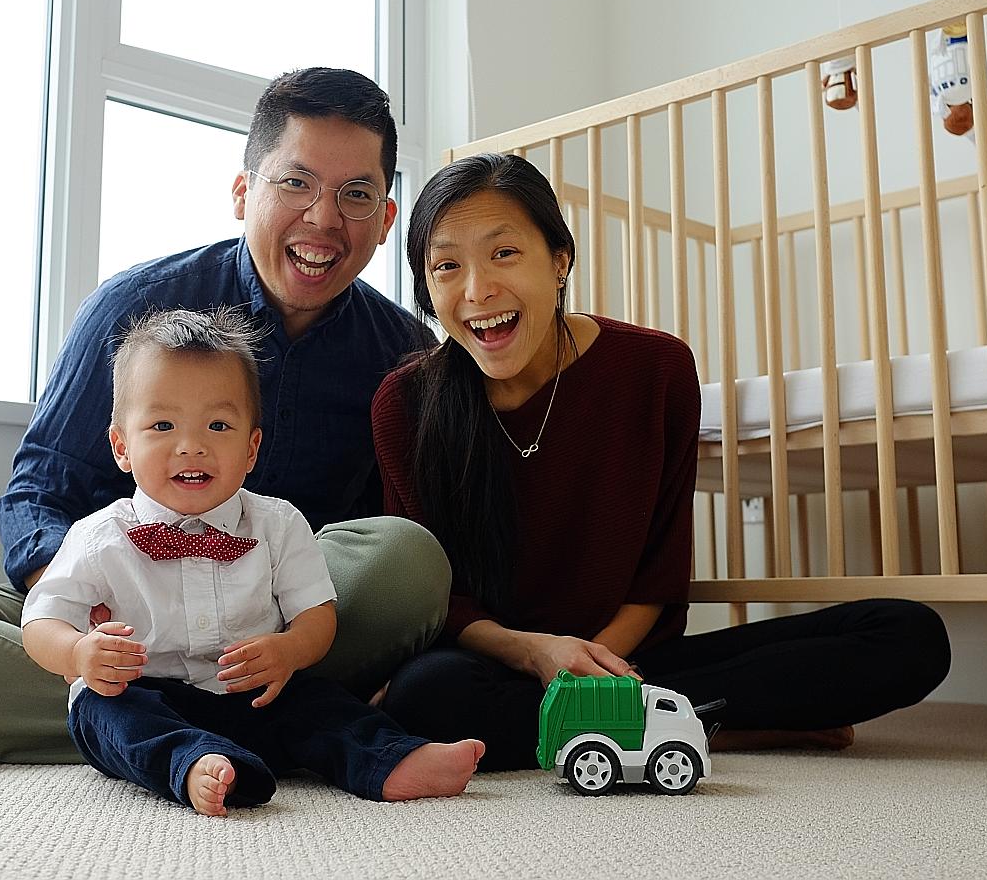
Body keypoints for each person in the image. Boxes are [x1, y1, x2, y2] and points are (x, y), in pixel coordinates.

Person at [0, 68, 446, 763]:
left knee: (409, 561)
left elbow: (381, 544)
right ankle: (249, 723)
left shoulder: (404, 355)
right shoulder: (134, 306)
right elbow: (39, 493)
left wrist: (304, 637)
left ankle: (80, 724)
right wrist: (80, 627)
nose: (323, 218)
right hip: (114, 634)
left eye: (355, 195)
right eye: (296, 183)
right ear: (242, 191)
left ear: (385, 220)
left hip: (271, 641)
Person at [372, 152, 952, 770]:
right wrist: (535, 652)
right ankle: (715, 726)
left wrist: (593, 677)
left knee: (908, 635)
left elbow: (659, 576)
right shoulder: (404, 403)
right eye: (447, 266)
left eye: (504, 253)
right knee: (427, 695)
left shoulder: (657, 369)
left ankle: (618, 721)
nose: (476, 290)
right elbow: (440, 599)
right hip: (494, 660)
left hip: (629, 662)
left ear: (560, 260)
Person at [24, 307, 482, 814]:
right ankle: (192, 763)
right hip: (146, 695)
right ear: (122, 446)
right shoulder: (99, 537)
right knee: (102, 710)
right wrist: (79, 654)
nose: (191, 446)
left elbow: (317, 614)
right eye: (163, 425)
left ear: (251, 447)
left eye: (218, 425)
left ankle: (390, 759)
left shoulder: (277, 525)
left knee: (320, 703)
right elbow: (41, 622)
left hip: (254, 696)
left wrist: (290, 650)